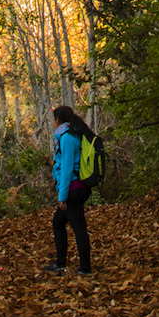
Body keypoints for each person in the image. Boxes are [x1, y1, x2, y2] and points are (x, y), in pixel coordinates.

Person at [44, 105, 93, 275]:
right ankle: (60, 263)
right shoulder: (76, 133)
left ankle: (85, 267)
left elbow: (66, 168)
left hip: (73, 188)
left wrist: (62, 196)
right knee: (58, 223)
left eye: (53, 119)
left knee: (78, 227)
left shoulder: (67, 138)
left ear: (57, 120)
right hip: (78, 187)